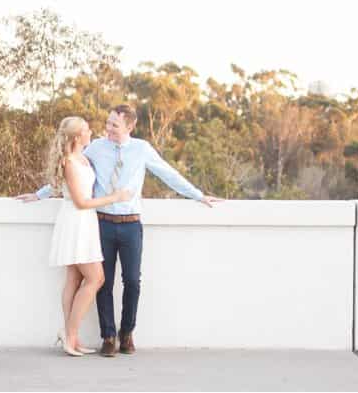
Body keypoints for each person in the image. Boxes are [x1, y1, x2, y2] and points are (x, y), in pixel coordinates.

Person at [18, 104, 223, 357]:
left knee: (133, 281)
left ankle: (127, 333)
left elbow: (168, 174)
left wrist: (198, 195)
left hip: (131, 224)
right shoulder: (96, 147)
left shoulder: (142, 149)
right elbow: (68, 171)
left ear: (129, 126)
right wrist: (39, 195)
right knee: (102, 282)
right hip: (101, 223)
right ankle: (108, 336)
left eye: (114, 125)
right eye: (108, 123)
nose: (108, 129)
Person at [45, 116, 133, 356]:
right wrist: (115, 198)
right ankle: (69, 334)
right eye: (86, 130)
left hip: (85, 223)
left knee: (74, 278)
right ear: (76, 137)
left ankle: (71, 337)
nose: (90, 132)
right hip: (76, 221)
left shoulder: (83, 157)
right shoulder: (70, 162)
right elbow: (81, 201)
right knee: (96, 278)